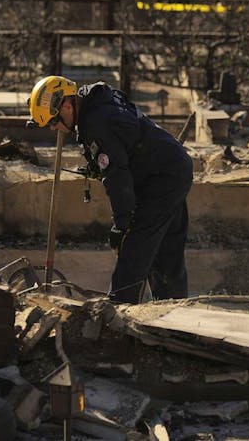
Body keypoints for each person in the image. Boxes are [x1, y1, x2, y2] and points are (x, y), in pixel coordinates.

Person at [28, 76, 193, 303]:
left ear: (66, 105)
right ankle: (174, 311)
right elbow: (121, 147)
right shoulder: (94, 101)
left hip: (161, 178)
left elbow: (117, 176)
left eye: (53, 121)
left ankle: (118, 314)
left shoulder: (97, 123)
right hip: (172, 166)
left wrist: (122, 224)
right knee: (166, 252)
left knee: (134, 249)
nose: (54, 128)